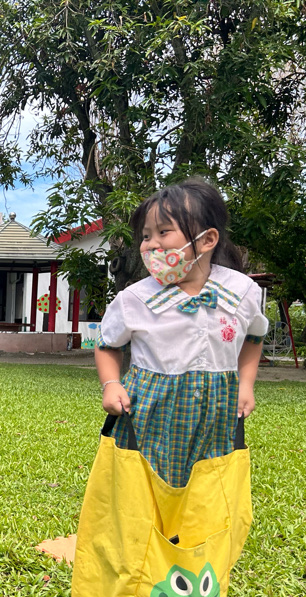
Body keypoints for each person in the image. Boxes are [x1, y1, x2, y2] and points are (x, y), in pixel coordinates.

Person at [95, 178, 269, 487]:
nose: (150, 244)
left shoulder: (242, 292)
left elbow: (253, 338)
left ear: (207, 239)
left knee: (209, 485)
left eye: (163, 232)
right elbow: (108, 344)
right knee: (145, 486)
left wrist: (246, 384)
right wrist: (111, 384)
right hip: (149, 412)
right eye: (146, 236)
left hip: (218, 415)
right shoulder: (135, 299)